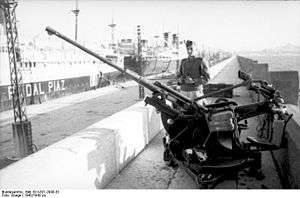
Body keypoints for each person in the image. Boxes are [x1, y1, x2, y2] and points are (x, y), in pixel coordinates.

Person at [177, 40, 210, 104]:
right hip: (183, 92)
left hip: (195, 93)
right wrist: (180, 80)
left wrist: (194, 81)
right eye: (188, 49)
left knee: (197, 112)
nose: (189, 51)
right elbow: (178, 76)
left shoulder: (200, 61)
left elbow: (207, 78)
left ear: (196, 49)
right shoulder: (183, 62)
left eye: (191, 49)